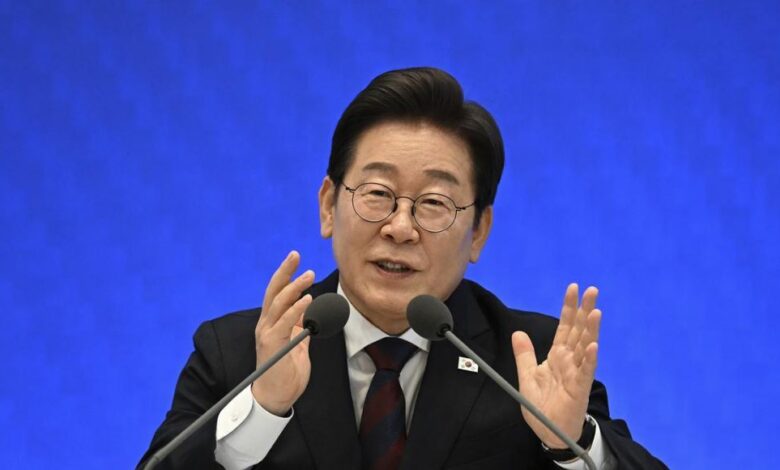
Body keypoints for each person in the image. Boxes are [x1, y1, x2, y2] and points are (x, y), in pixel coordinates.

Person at [139, 67, 667, 469]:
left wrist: (569, 443)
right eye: (377, 193)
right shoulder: (238, 355)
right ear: (328, 205)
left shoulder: (531, 359)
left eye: (434, 203)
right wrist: (263, 409)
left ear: (478, 231)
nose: (400, 227)